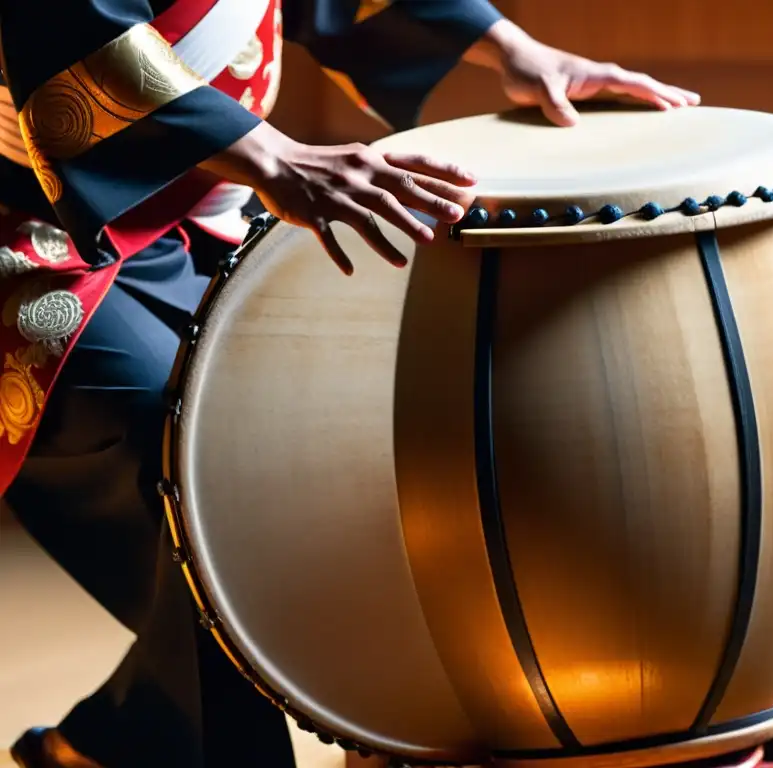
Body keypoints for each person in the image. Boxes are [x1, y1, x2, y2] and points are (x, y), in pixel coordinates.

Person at [0, 2, 701, 766]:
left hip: (201, 219)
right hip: (35, 233)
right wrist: (276, 160)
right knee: (188, 460)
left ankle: (126, 741)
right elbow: (73, 26)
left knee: (323, 442)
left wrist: (507, 45)